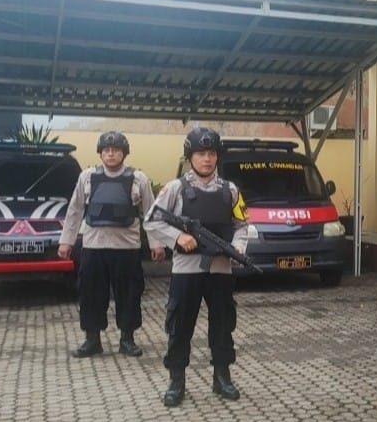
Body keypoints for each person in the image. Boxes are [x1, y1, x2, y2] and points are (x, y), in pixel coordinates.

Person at [145, 127, 248, 407]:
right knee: (180, 326)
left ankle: (222, 377)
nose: (207, 159)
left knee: (223, 325)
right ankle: (176, 381)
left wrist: (239, 247)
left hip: (220, 269)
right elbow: (151, 220)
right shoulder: (176, 188)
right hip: (187, 270)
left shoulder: (230, 190)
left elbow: (242, 225)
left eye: (211, 153)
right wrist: (178, 237)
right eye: (201, 154)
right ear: (190, 157)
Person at [59, 131, 165, 358]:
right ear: (100, 153)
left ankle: (127, 340)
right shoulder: (87, 177)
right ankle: (92, 340)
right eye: (106, 150)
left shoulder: (139, 179)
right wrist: (67, 241)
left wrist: (156, 244)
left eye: (116, 150)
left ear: (124, 153)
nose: (110, 154)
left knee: (129, 295)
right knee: (90, 294)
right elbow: (75, 209)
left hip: (126, 249)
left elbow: (151, 212)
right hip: (93, 247)